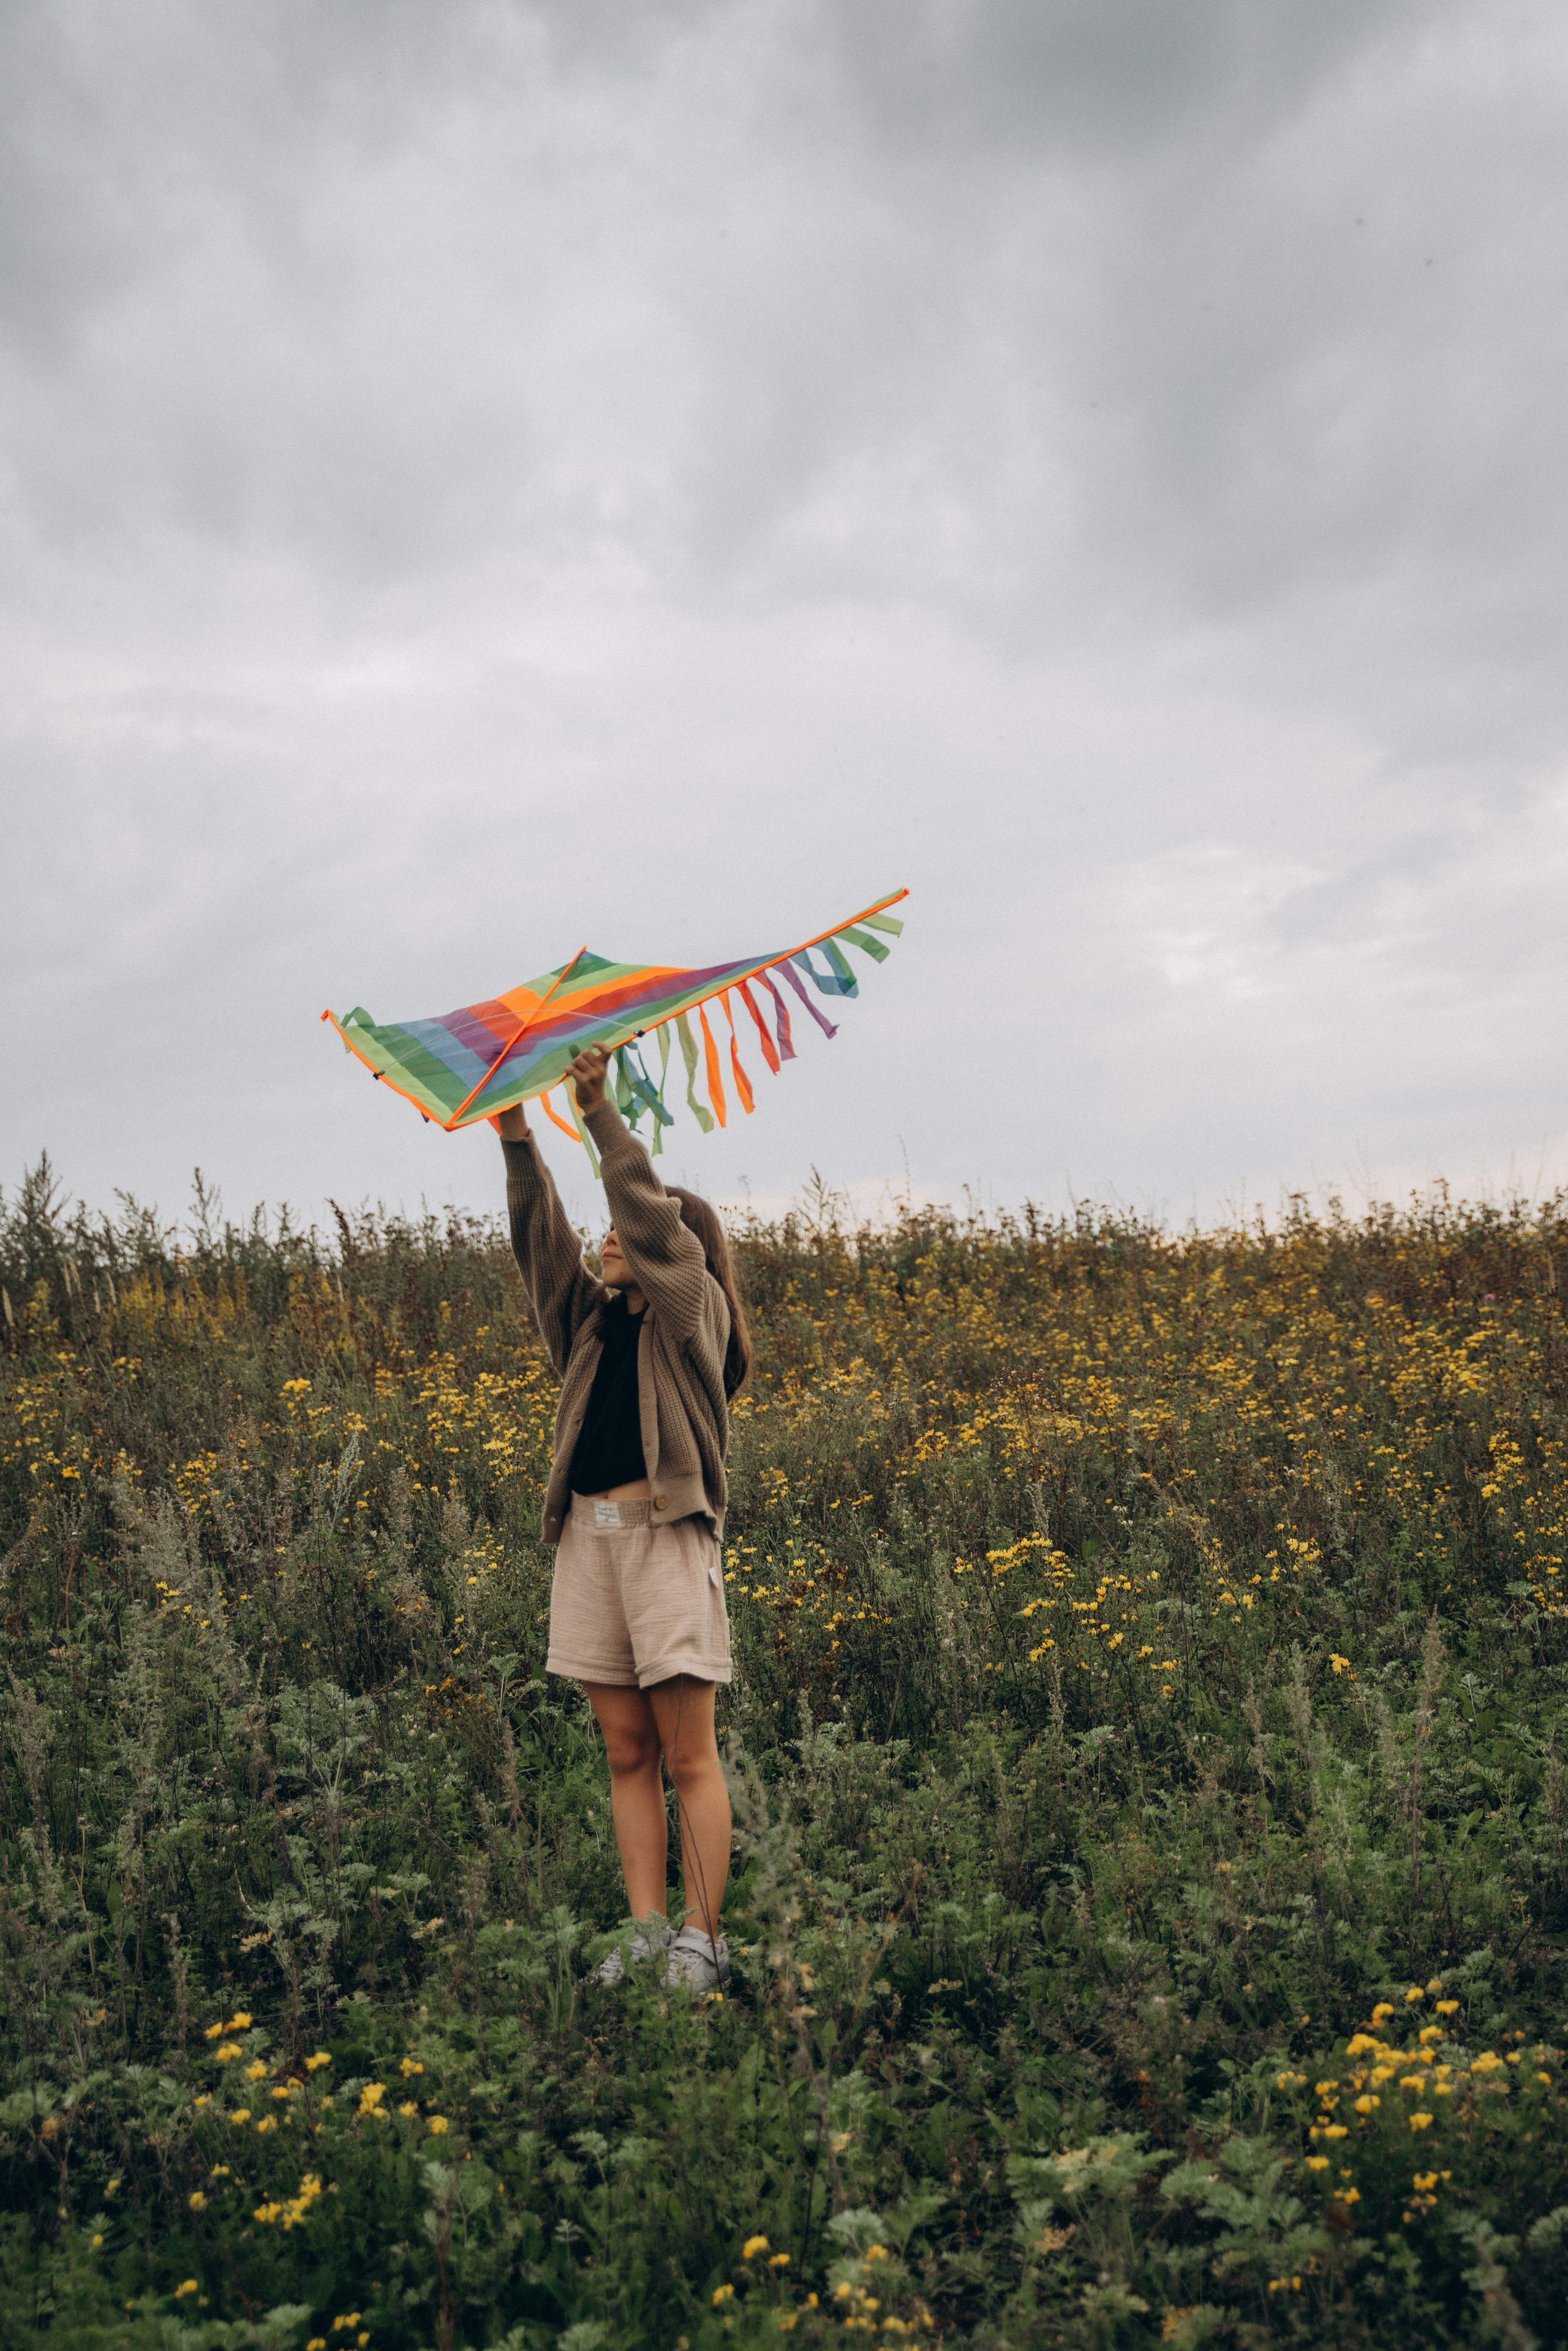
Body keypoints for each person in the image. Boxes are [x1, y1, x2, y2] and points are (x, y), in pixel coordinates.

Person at [496, 1044, 750, 1992]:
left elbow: (654, 1221)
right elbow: (540, 1243)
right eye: (606, 1228)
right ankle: (647, 1932)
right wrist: (519, 1135)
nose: (610, 1236)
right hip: (590, 1549)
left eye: (627, 1229)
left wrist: (601, 1116)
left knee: (688, 1753)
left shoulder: (693, 1319)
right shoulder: (590, 1324)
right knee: (627, 1749)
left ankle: (702, 1939)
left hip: (666, 1541)